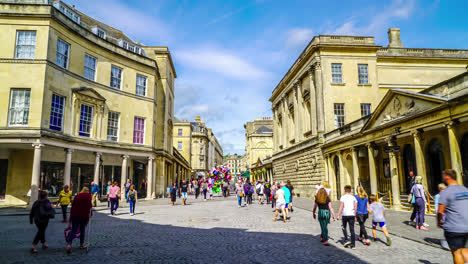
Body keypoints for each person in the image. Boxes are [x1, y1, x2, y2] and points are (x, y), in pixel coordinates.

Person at [437, 169, 468, 264]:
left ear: (447, 177)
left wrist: (439, 222)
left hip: (454, 227)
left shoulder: (446, 192)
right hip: (466, 225)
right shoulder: (465, 189)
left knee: (457, 252)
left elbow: (440, 211)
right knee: (464, 249)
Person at [66, 187, 92, 254]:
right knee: (82, 229)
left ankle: (69, 244)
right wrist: (90, 213)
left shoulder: (77, 196)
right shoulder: (88, 196)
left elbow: (73, 205)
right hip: (83, 215)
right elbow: (89, 205)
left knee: (73, 230)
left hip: (75, 215)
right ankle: (81, 245)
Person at [337, 185, 357, 249]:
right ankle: (353, 245)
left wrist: (338, 215)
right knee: (352, 230)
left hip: (345, 214)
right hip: (352, 214)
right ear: (350, 190)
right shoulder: (354, 198)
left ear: (344, 190)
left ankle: (346, 239)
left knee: (343, 227)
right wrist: (355, 215)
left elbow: (341, 206)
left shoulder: (343, 197)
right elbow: (355, 207)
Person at [435, 183, 449, 250]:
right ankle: (446, 241)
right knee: (445, 227)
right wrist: (438, 216)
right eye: (443, 189)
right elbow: (437, 207)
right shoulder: (438, 196)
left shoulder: (447, 195)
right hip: (442, 214)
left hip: (447, 214)